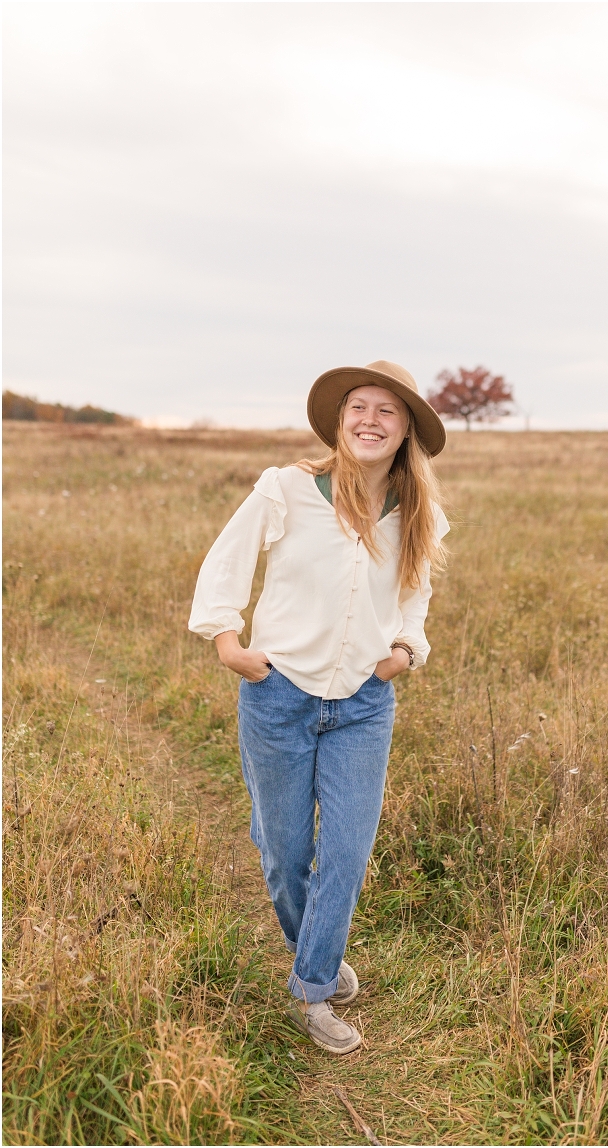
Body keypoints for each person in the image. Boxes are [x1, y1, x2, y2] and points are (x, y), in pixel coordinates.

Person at [188, 361, 449, 1054]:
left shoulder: (418, 510)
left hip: (364, 704)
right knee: (284, 852)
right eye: (358, 407)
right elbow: (226, 561)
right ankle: (321, 950)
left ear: (406, 431)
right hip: (278, 696)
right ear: (340, 419)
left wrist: (406, 649)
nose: (369, 419)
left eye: (386, 411)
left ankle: (313, 989)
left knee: (346, 851)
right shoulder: (288, 490)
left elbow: (416, 593)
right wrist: (226, 640)